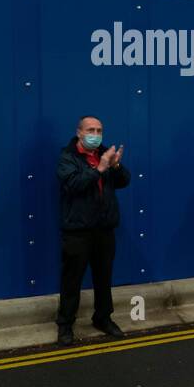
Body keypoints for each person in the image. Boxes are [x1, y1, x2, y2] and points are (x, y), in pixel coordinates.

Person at [55, 115, 131, 345]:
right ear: (79, 132)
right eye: (90, 130)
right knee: (72, 280)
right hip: (78, 230)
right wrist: (100, 168)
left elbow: (124, 181)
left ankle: (102, 318)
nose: (95, 135)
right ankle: (66, 325)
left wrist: (115, 165)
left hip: (104, 229)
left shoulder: (105, 154)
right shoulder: (67, 157)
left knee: (103, 277)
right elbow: (73, 185)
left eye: (99, 130)